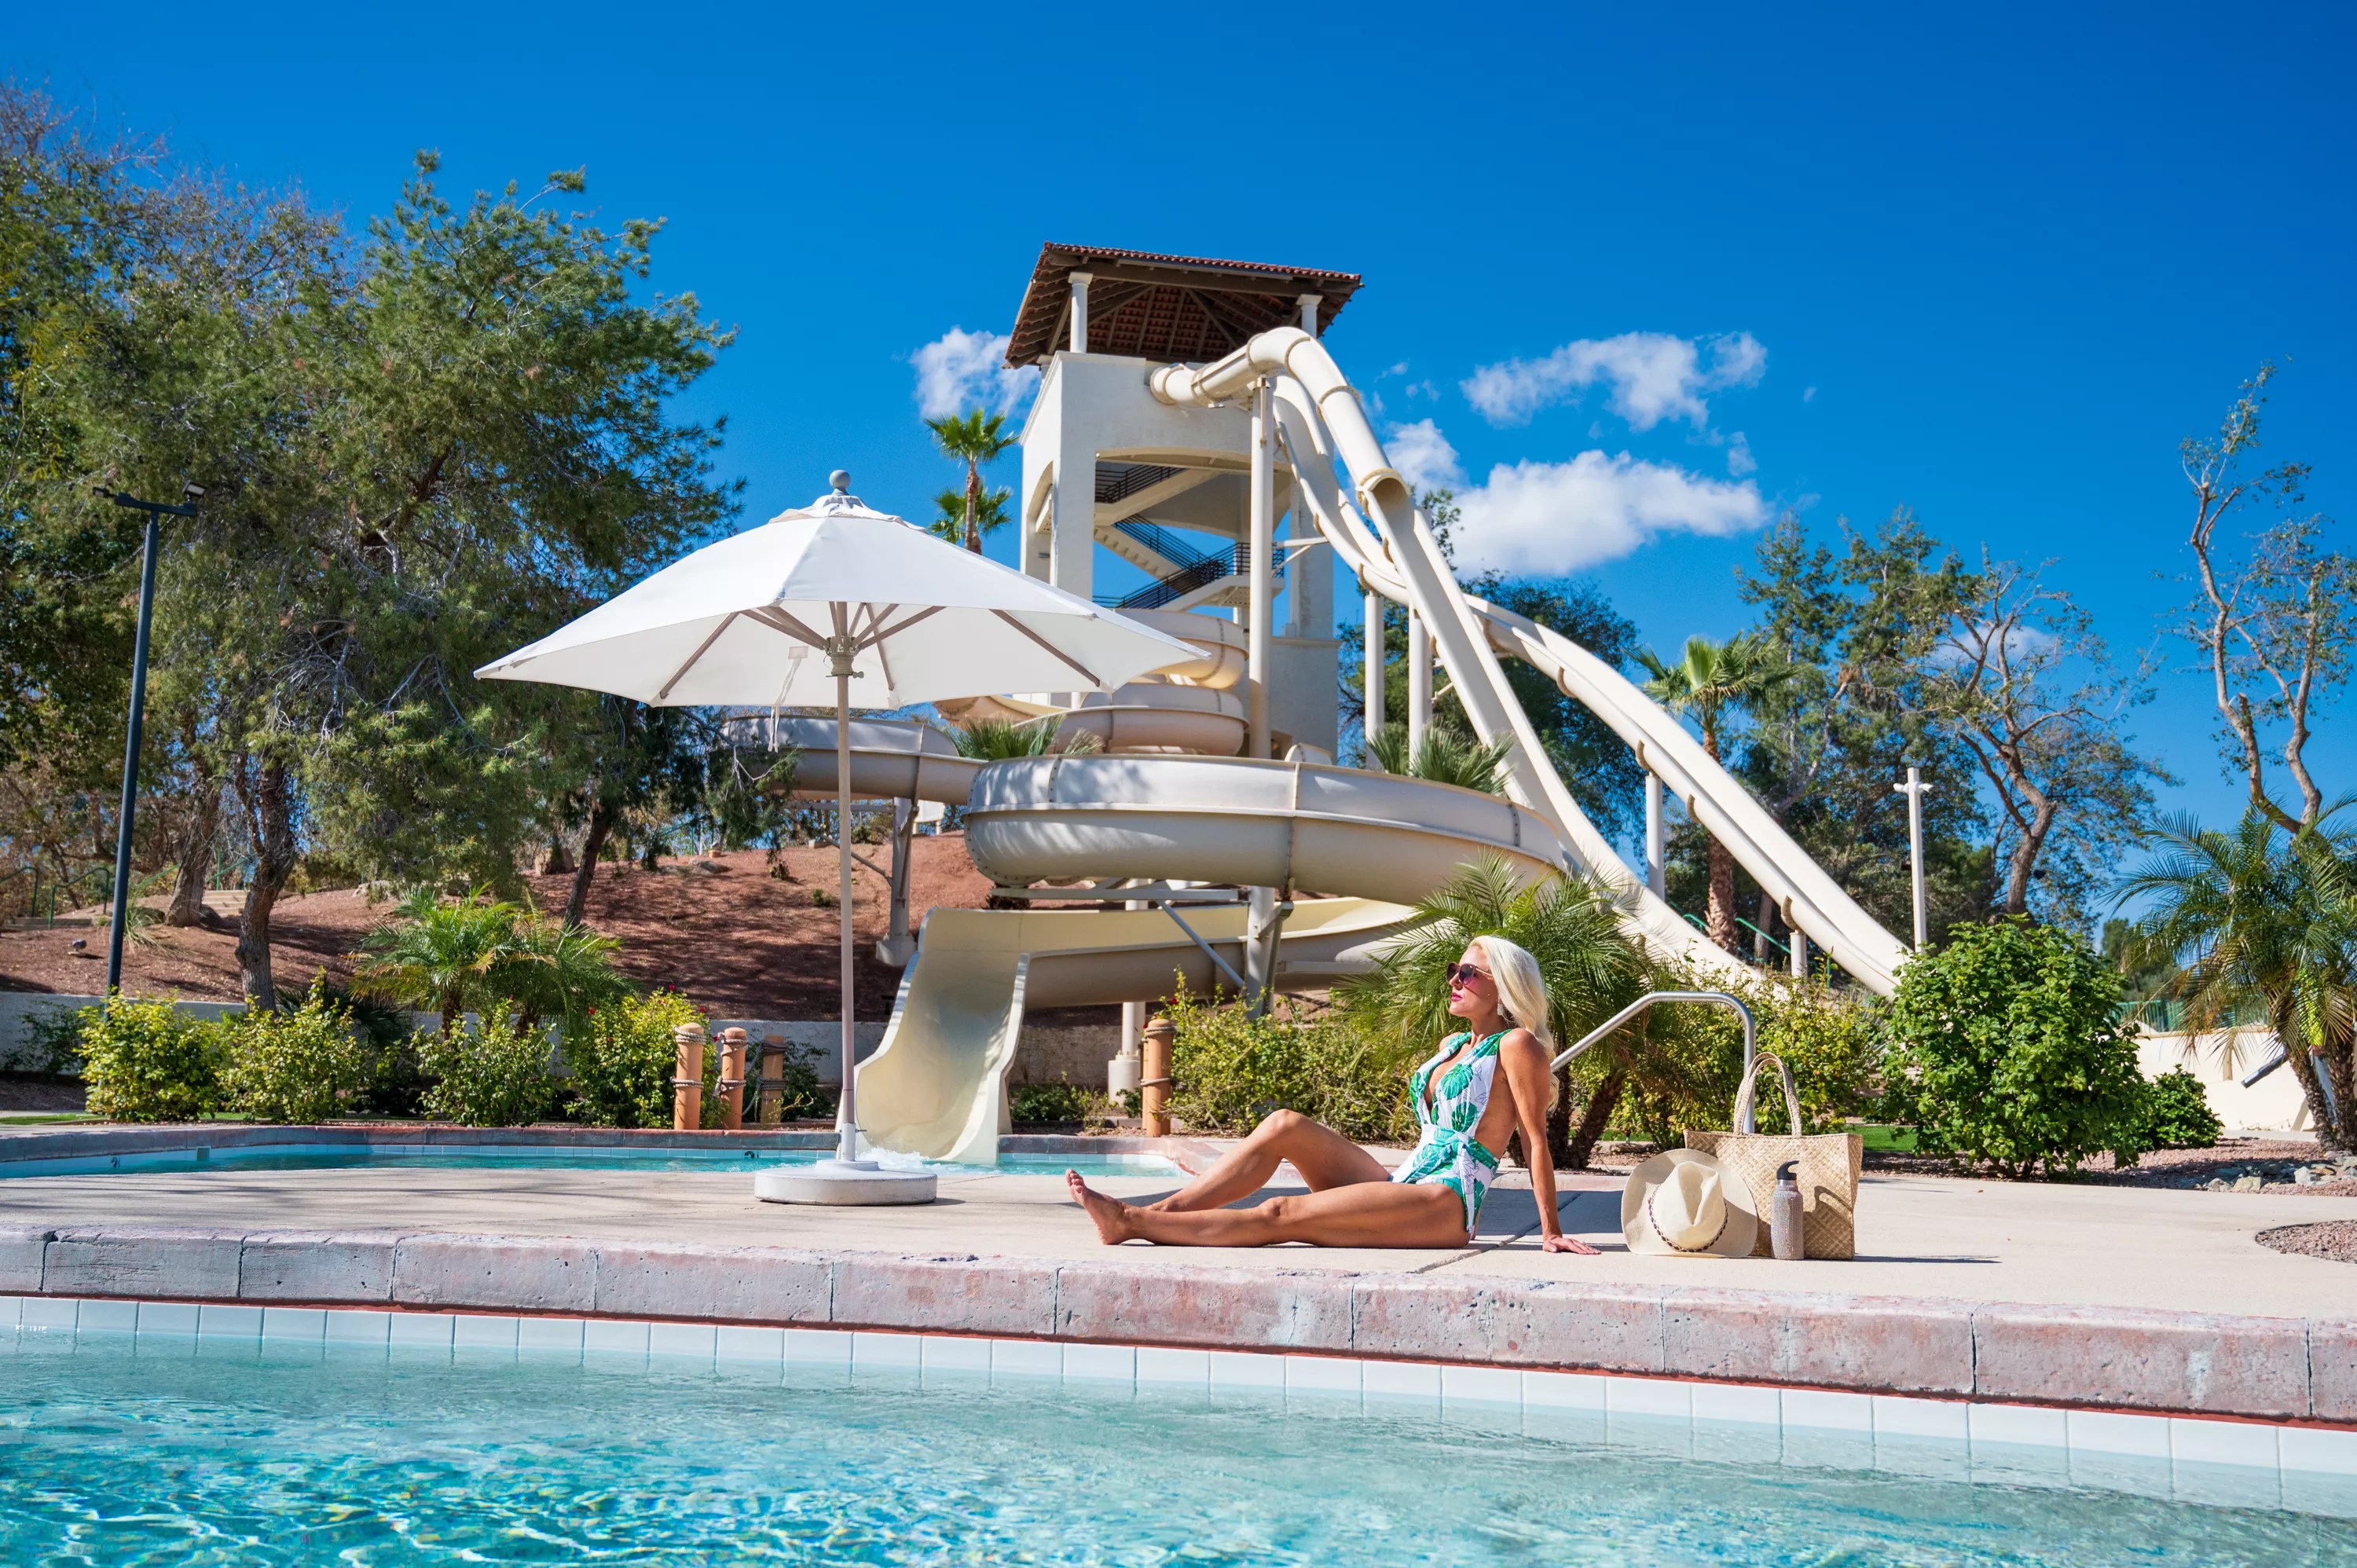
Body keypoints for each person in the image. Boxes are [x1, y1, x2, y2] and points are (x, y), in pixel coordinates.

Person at [1065, 934, 1599, 1253]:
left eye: (1467, 973)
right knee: (1284, 1125)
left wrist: (1550, 1231)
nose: (1453, 981)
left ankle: (1132, 1222)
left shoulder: (1517, 1045)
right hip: (1407, 1180)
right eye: (1451, 971)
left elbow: (1534, 1141)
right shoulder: (1454, 1043)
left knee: (1282, 1214)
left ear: (1502, 985)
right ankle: (1165, 1210)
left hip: (1447, 1202)